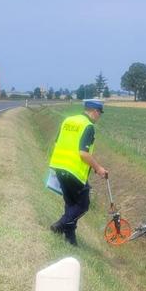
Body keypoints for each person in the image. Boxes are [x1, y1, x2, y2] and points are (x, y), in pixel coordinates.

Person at [49, 99, 109, 245]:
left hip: (58, 165)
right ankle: (60, 225)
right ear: (94, 112)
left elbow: (57, 142)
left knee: (71, 204)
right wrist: (99, 168)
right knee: (82, 205)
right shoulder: (88, 126)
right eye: (99, 114)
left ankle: (70, 240)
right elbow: (83, 153)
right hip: (73, 170)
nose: (98, 117)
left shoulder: (68, 120)